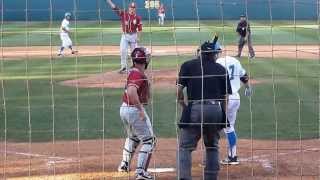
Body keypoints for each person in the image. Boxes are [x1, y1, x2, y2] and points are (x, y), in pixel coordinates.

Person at [177, 37, 232, 180]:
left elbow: (178, 92)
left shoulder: (187, 65)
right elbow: (225, 98)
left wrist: (184, 107)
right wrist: (222, 115)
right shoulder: (221, 69)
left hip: (195, 108)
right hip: (215, 110)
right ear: (214, 54)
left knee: (185, 147)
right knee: (212, 146)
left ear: (200, 53)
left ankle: (184, 178)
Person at [118, 47, 155, 180]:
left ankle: (124, 165)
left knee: (133, 137)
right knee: (149, 140)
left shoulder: (135, 72)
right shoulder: (137, 74)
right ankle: (140, 173)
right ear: (144, 59)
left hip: (125, 109)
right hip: (133, 110)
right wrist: (140, 110)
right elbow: (132, 91)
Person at [216, 55, 253, 165]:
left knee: (212, 126)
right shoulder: (235, 60)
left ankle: (210, 158)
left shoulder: (217, 62)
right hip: (235, 97)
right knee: (229, 127)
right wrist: (248, 88)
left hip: (223, 99)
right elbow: (244, 76)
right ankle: (233, 157)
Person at [106, 0, 143, 74]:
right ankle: (124, 67)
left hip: (133, 35)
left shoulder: (138, 17)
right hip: (125, 35)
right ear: (129, 8)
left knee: (134, 53)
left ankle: (135, 67)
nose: (132, 9)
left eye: (133, 8)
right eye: (131, 7)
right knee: (123, 51)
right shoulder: (123, 14)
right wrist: (109, 1)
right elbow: (115, 8)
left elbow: (140, 29)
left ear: (135, 9)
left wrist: (138, 37)